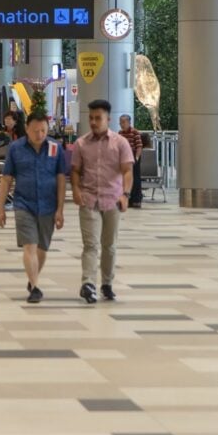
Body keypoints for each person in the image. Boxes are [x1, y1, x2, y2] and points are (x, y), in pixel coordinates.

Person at [0, 111, 68, 304]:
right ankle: (34, 287)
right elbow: (6, 178)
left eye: (43, 130)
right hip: (23, 204)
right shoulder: (16, 148)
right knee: (30, 245)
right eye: (35, 131)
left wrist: (60, 209)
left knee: (42, 248)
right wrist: (0, 208)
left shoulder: (55, 148)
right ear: (27, 129)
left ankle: (32, 277)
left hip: (48, 205)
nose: (40, 135)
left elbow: (61, 178)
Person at [71, 99, 134, 304]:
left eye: (98, 118)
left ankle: (107, 283)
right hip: (89, 200)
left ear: (108, 119)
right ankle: (88, 283)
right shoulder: (81, 143)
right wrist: (76, 190)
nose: (94, 122)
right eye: (91, 118)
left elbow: (127, 171)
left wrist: (125, 195)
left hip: (113, 201)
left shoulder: (120, 143)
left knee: (110, 246)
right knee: (90, 245)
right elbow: (75, 171)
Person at [118, 114, 144, 209]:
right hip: (123, 156)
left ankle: (136, 200)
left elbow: (139, 146)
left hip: (133, 155)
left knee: (135, 178)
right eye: (120, 122)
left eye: (124, 122)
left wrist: (136, 158)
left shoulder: (135, 132)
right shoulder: (120, 133)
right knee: (124, 179)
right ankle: (127, 199)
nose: (122, 124)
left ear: (129, 122)